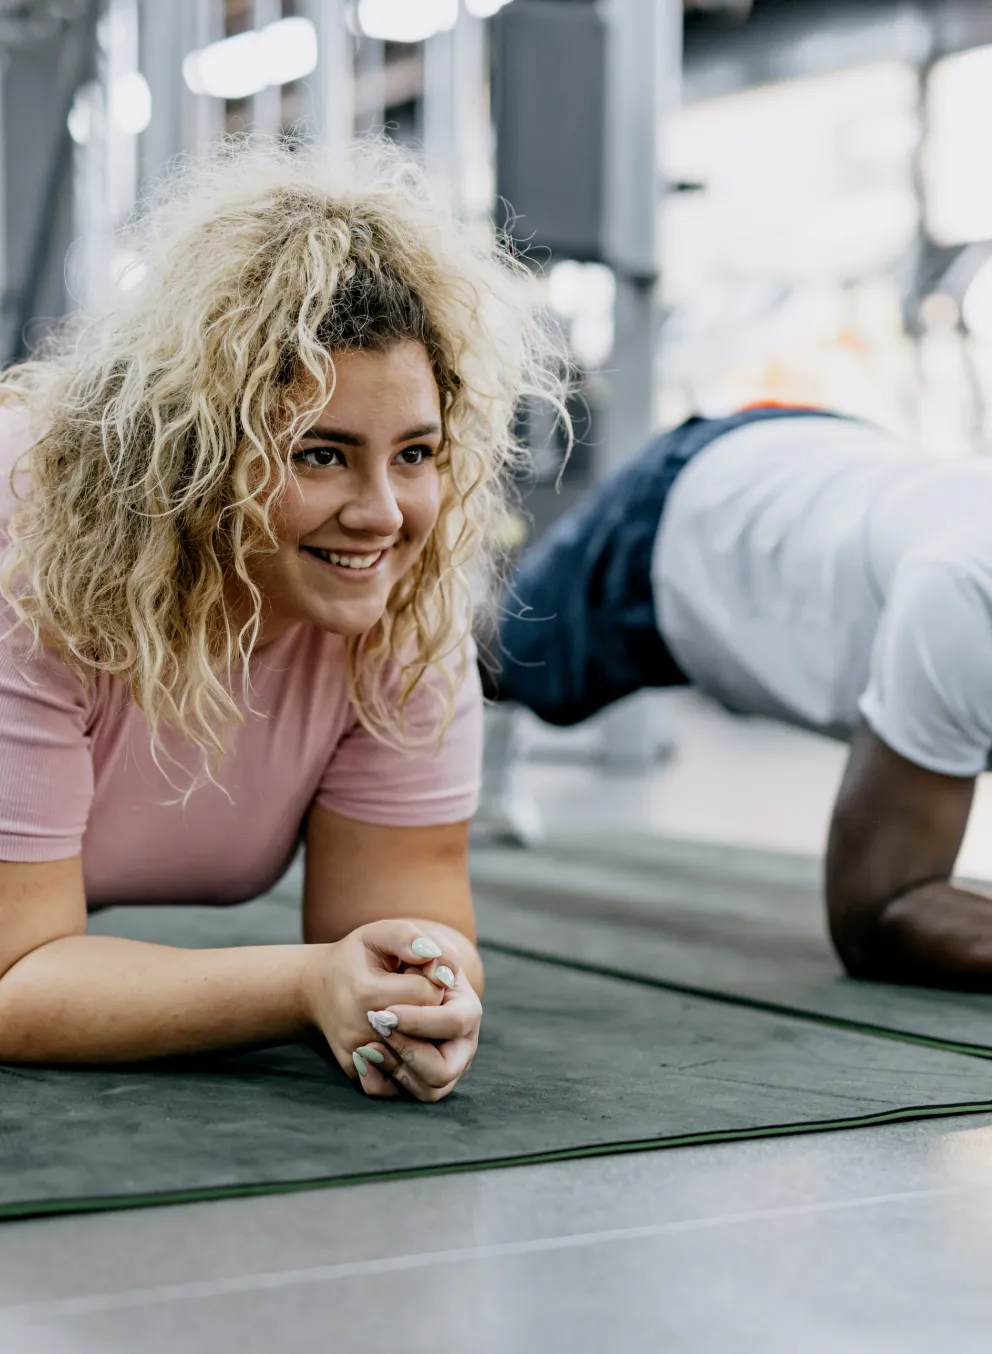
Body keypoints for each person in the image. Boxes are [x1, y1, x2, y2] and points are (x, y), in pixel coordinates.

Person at [0, 139, 564, 1100]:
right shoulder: (32, 560)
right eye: (320, 455)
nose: (383, 512)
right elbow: (14, 978)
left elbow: (407, 918)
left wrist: (420, 994)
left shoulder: (397, 609)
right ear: (193, 453)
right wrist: (307, 985)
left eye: (417, 452)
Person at [488, 403, 992, 992]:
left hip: (831, 466)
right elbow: (877, 911)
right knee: (500, 657)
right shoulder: (967, 598)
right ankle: (449, 764)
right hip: (689, 513)